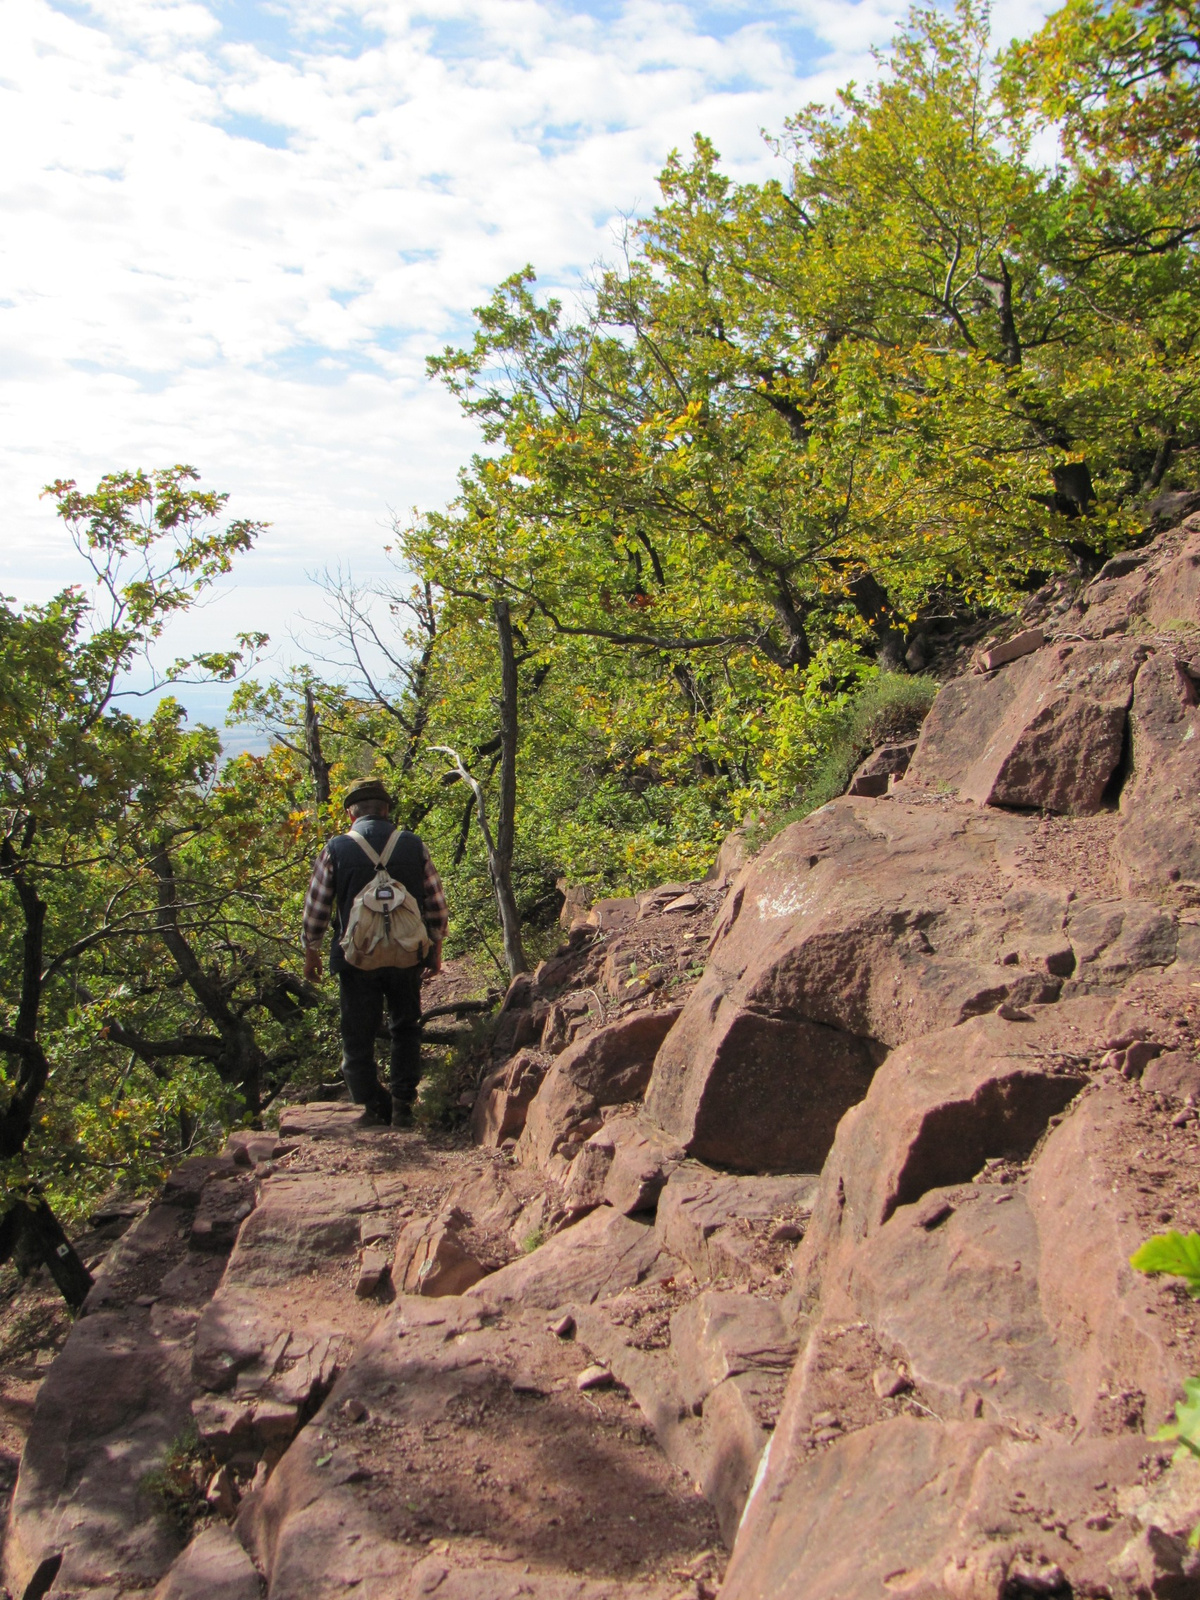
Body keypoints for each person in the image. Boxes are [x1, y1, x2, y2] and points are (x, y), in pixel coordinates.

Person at [301, 778, 447, 1126]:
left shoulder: (336, 848)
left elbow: (317, 907)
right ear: (385, 811)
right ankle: (403, 1106)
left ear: (351, 814)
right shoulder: (412, 845)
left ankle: (370, 1105)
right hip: (406, 954)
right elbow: (435, 903)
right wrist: (435, 950)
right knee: (405, 1027)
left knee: (357, 1032)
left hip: (356, 959)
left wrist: (312, 952)